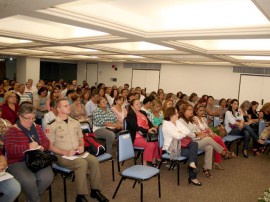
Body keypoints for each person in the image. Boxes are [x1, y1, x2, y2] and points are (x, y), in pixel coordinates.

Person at [45, 98, 108, 202]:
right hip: (62, 155)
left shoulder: (75, 122)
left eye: (68, 105)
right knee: (82, 163)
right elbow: (49, 146)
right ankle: (80, 196)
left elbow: (80, 138)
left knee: (94, 161)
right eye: (65, 106)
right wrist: (65, 152)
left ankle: (95, 190)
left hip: (77, 152)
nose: (69, 107)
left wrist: (81, 146)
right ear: (59, 109)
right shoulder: (52, 125)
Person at [4, 102, 54, 202]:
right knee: (30, 181)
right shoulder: (12, 130)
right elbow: (10, 150)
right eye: (28, 118)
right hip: (18, 161)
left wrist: (41, 147)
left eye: (33, 118)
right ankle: (34, 199)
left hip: (36, 159)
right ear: (20, 116)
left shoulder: (37, 127)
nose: (31, 121)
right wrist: (28, 146)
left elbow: (46, 142)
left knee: (48, 177)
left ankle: (32, 198)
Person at [179, 103, 227, 179]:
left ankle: (206, 168)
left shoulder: (190, 119)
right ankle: (223, 152)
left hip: (196, 139)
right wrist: (199, 134)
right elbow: (188, 134)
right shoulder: (181, 121)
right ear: (184, 111)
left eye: (192, 109)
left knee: (209, 147)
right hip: (190, 143)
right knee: (209, 139)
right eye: (189, 109)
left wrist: (200, 134)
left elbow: (196, 130)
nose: (191, 111)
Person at [162, 107, 202, 186]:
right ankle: (193, 177)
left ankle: (191, 164)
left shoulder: (177, 122)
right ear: (171, 115)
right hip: (173, 147)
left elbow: (187, 131)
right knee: (193, 153)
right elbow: (177, 136)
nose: (178, 114)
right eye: (176, 113)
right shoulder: (166, 125)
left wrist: (181, 132)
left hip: (182, 144)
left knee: (194, 144)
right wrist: (181, 133)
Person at [194, 104, 236, 169]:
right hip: (200, 138)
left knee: (217, 140)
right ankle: (225, 153)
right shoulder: (194, 119)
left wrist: (212, 133)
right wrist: (210, 134)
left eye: (203, 110)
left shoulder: (203, 118)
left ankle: (223, 156)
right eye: (200, 110)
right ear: (196, 111)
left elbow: (207, 128)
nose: (202, 112)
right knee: (218, 139)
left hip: (207, 136)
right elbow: (199, 130)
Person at [126, 99, 160, 166]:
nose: (139, 105)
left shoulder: (143, 112)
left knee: (157, 141)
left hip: (146, 134)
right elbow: (135, 127)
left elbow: (149, 123)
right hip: (136, 137)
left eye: (140, 103)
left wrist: (152, 127)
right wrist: (147, 130)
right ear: (132, 106)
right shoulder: (130, 114)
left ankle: (153, 160)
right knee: (150, 144)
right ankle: (145, 163)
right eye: (137, 104)